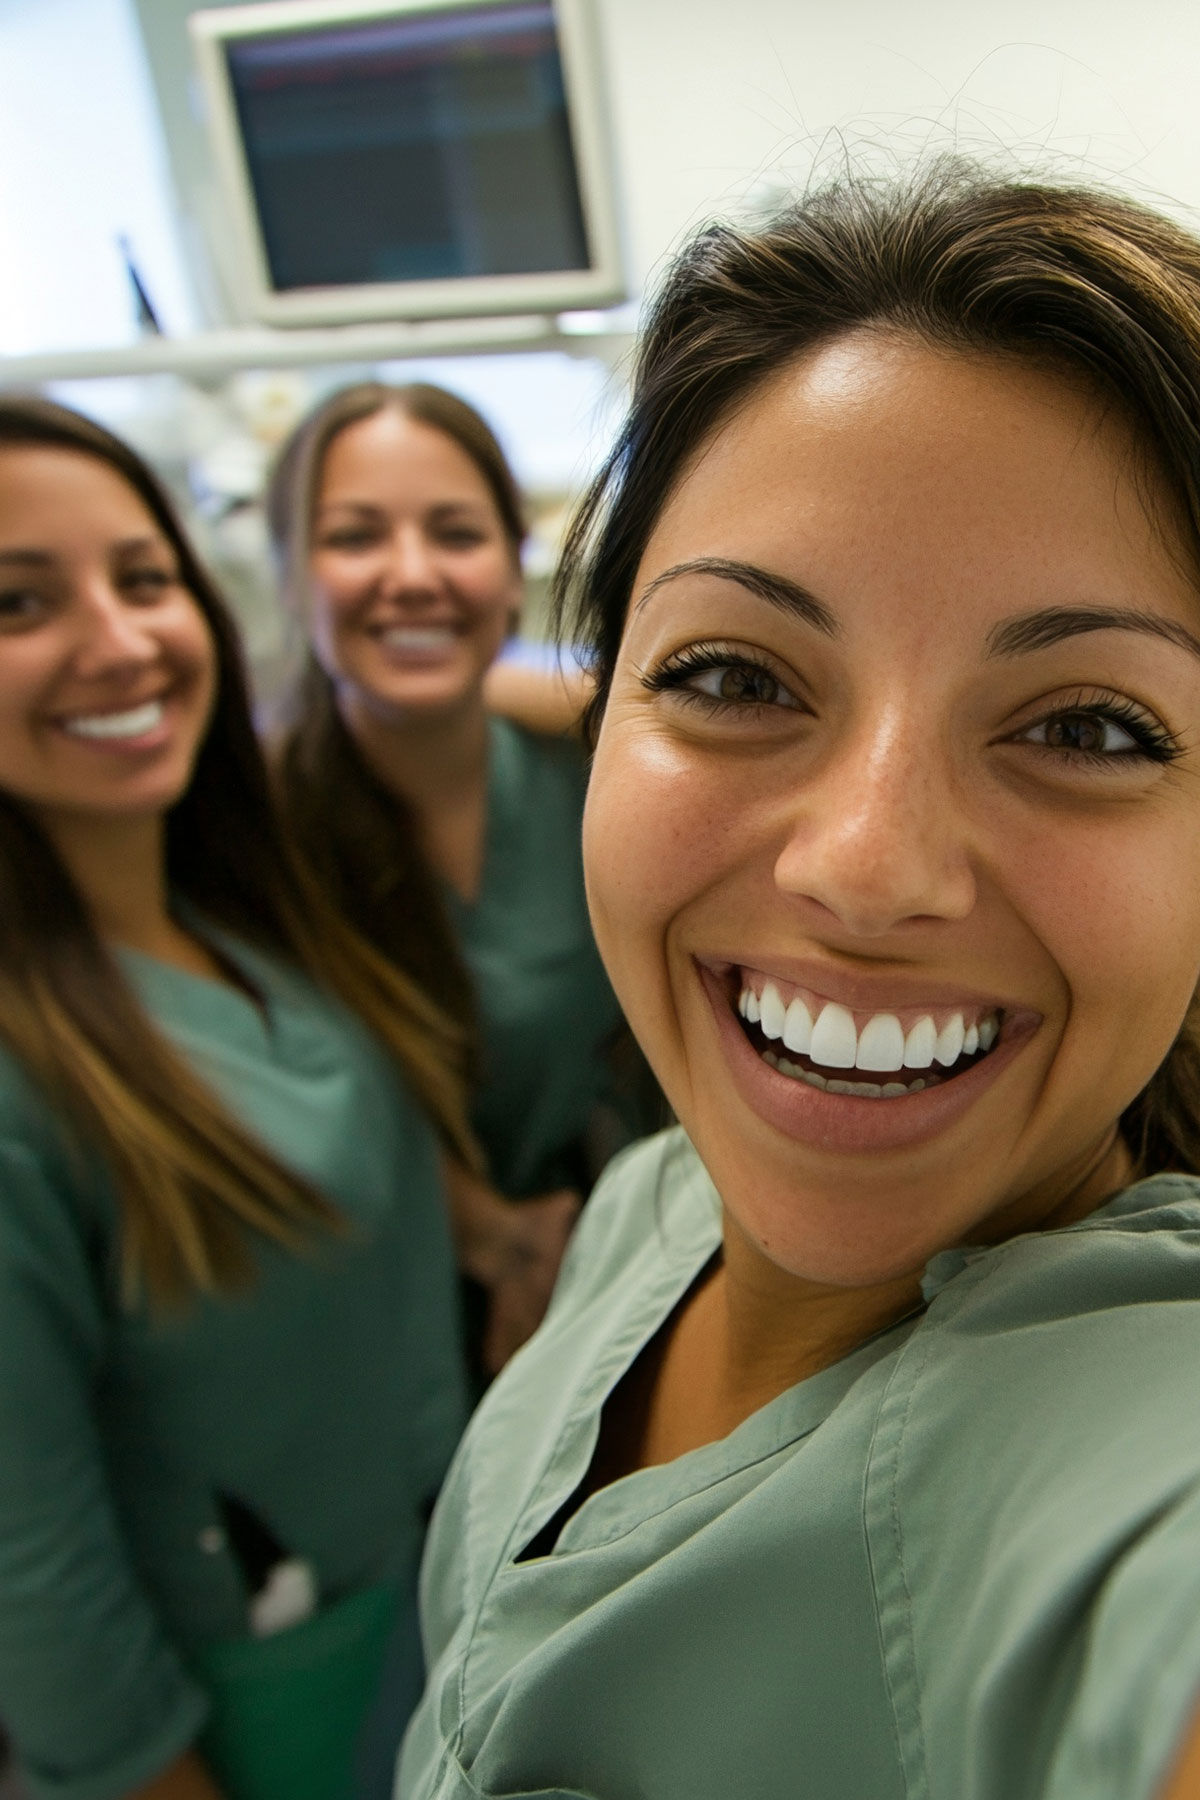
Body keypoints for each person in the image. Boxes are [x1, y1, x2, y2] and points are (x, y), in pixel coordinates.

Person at [397, 164, 1200, 1800]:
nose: (867, 866)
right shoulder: (650, 1203)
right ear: (601, 710)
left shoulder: (1133, 1464)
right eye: (736, 675)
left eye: (1088, 727)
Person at [0, 397, 477, 1800]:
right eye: (20, 601)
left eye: (145, 580)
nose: (121, 640)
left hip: (425, 1585)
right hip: (255, 1701)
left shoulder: (233, 915)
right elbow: (29, 1557)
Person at [266, 383, 634, 1372]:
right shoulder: (244, 841)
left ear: (513, 572)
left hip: (601, 1258)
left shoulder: (585, 779)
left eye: (456, 533)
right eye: (355, 537)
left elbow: (683, 709)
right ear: (292, 576)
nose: (413, 574)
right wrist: (480, 1229)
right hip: (364, 1312)